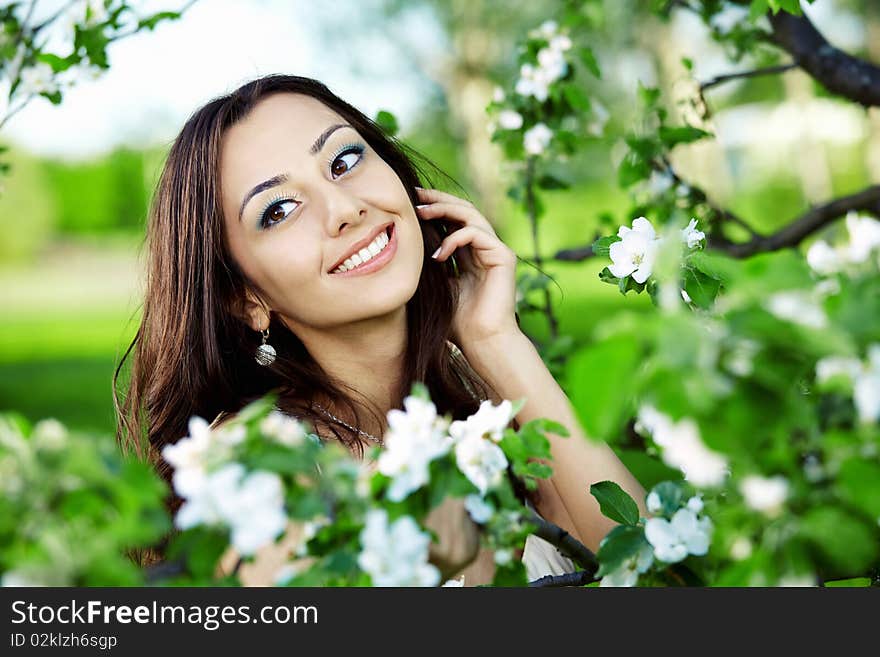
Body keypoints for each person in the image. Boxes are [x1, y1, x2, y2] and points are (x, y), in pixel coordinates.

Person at [114, 74, 647, 586]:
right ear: (245, 299)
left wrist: (496, 341)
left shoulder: (479, 400)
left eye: (344, 161)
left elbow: (652, 573)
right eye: (279, 210)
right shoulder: (257, 470)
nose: (345, 208)